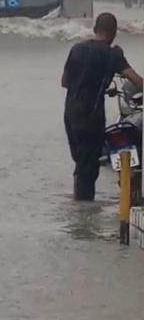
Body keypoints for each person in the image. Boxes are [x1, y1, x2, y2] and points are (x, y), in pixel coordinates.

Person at [62, 12, 144, 200]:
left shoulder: (77, 49)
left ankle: (78, 208)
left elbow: (64, 82)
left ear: (94, 29)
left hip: (70, 114)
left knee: (81, 165)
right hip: (91, 116)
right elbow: (136, 80)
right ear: (114, 32)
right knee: (89, 169)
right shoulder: (113, 54)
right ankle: (84, 217)